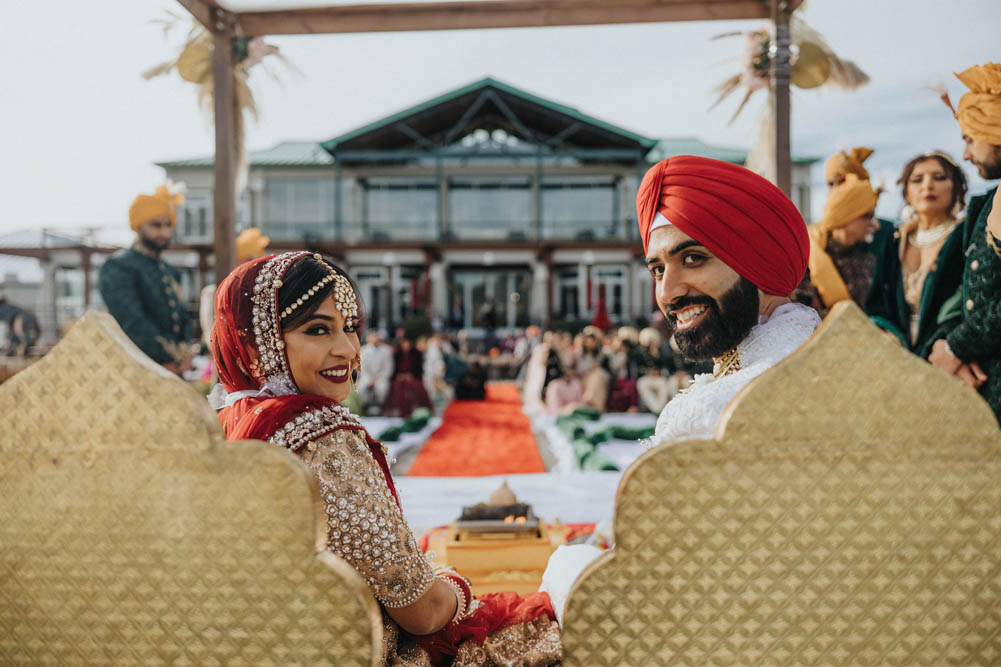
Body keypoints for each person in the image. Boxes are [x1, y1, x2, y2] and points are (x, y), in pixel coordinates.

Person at [210, 251, 560, 665]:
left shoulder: (224, 424)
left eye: (350, 328)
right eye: (319, 330)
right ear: (256, 345)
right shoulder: (322, 439)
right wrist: (458, 588)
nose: (347, 349)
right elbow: (423, 612)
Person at [541, 156, 820, 619]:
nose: (668, 291)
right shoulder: (825, 355)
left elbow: (651, 590)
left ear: (758, 259)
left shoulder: (715, 408)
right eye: (656, 270)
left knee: (564, 565)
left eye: (693, 258)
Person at [928, 62, 1001, 423]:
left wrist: (959, 346)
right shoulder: (987, 205)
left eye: (970, 139)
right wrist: (944, 345)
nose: (967, 154)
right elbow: (968, 293)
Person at [865, 152, 968, 357]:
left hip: (950, 351)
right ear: (906, 192)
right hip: (895, 352)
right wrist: (887, 334)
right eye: (917, 180)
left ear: (956, 187)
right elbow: (877, 302)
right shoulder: (895, 241)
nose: (927, 186)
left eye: (939, 178)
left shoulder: (965, 236)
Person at [99, 183, 192, 375]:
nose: (164, 233)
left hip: (175, 370)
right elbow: (132, 322)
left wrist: (184, 355)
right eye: (156, 225)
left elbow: (183, 318)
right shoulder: (119, 266)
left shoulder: (169, 271)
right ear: (138, 226)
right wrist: (162, 360)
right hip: (137, 368)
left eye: (168, 225)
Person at [795, 174, 880, 317]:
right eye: (868, 216)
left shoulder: (867, 256)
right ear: (846, 217)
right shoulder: (806, 257)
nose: (874, 224)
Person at [199, 227, 270, 348]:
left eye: (258, 261)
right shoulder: (212, 293)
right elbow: (210, 336)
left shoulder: (265, 293)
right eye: (248, 261)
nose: (253, 266)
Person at [383, 337, 433, 417]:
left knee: (417, 387)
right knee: (397, 387)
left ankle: (420, 409)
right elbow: (393, 368)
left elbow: (419, 369)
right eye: (404, 343)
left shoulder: (417, 354)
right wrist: (399, 375)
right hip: (399, 377)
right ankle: (403, 411)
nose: (406, 345)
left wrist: (411, 375)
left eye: (407, 343)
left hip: (413, 377)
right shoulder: (397, 354)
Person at [358, 330, 394, 415]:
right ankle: (364, 407)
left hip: (380, 377)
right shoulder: (363, 350)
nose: (375, 339)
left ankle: (381, 408)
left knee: (382, 388)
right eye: (373, 336)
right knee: (361, 387)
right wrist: (369, 379)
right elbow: (362, 367)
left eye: (376, 336)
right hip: (367, 376)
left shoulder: (386, 350)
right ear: (368, 338)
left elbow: (388, 367)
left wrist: (378, 378)